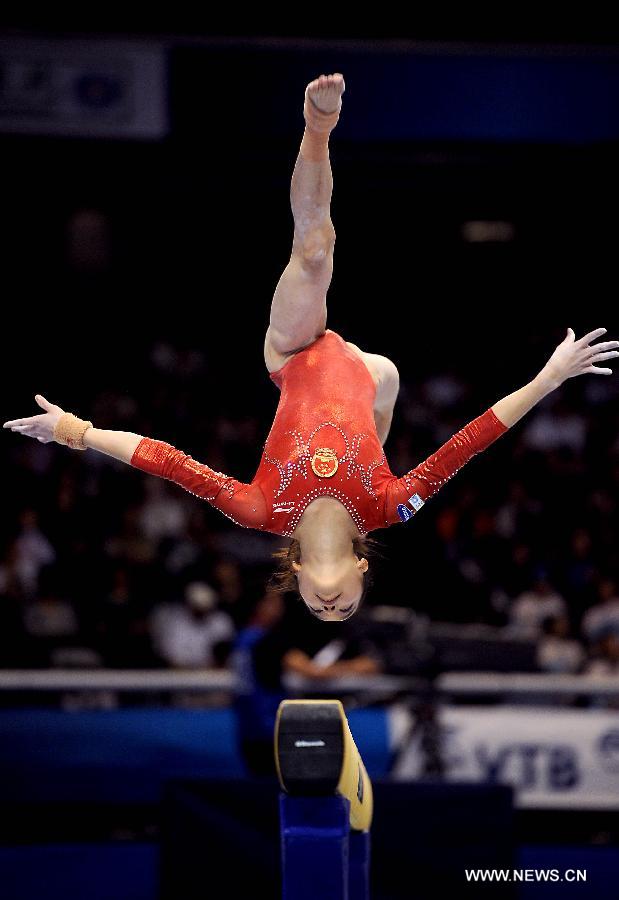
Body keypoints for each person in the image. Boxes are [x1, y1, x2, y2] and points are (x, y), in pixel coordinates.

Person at [4, 73, 619, 621]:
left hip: (295, 357)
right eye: (346, 609)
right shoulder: (390, 507)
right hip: (374, 378)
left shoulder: (261, 511)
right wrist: (550, 378)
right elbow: (471, 440)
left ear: (294, 576)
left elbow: (163, 459)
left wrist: (74, 432)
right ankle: (376, 403)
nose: (333, 609)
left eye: (319, 610)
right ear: (363, 572)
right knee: (385, 381)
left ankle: (316, 127)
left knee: (315, 252)